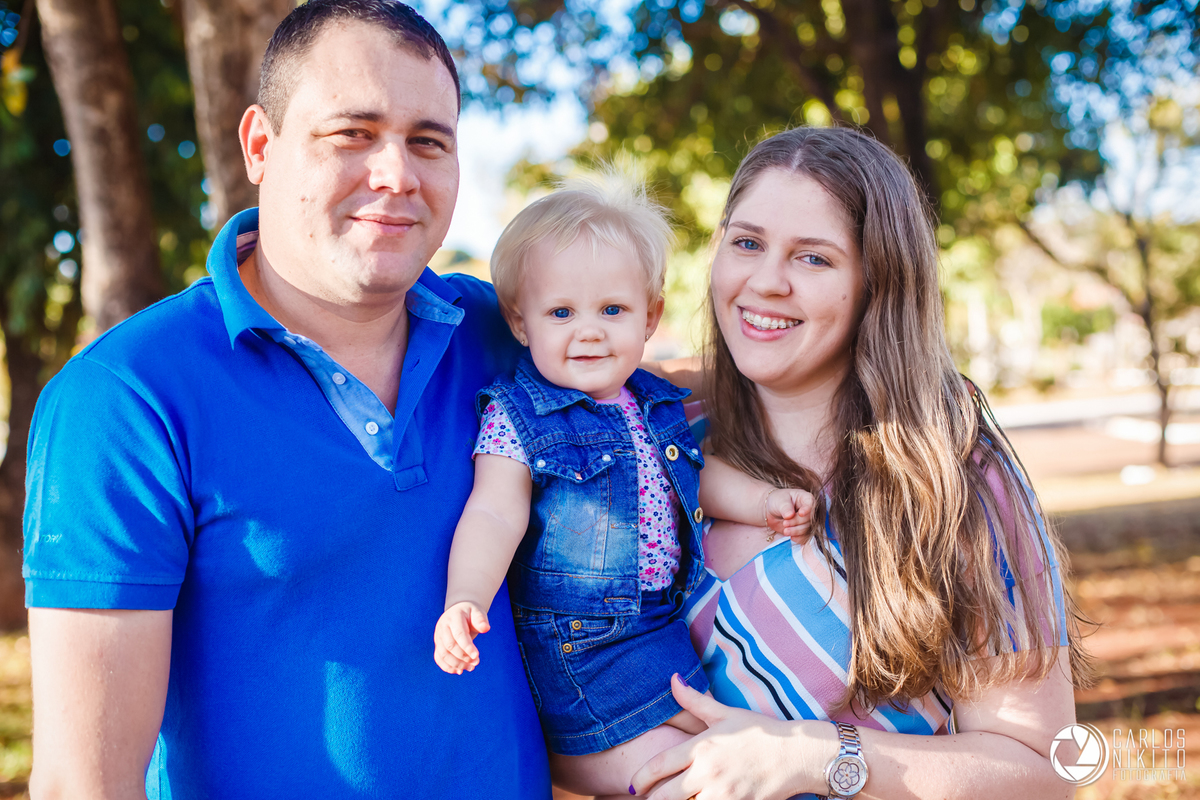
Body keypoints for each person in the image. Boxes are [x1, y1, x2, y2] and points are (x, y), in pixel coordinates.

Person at [21, 2, 551, 797]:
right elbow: (84, 782)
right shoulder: (124, 399)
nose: (398, 175)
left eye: (429, 142)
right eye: (353, 133)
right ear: (261, 147)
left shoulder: (509, 335)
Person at [554, 126, 1093, 800]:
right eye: (747, 243)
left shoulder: (950, 477)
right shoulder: (656, 443)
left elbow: (1046, 771)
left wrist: (813, 758)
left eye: (813, 258)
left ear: (877, 283)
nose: (766, 282)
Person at [430, 172, 814, 757]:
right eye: (560, 313)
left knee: (737, 744)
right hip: (583, 645)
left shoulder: (654, 401)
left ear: (649, 318)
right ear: (518, 322)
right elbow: (493, 512)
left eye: (612, 309)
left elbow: (692, 476)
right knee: (712, 756)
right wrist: (467, 597)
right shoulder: (517, 417)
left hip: (660, 625)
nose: (588, 331)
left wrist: (763, 502)